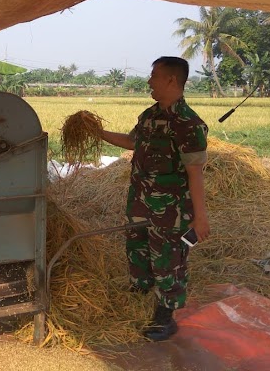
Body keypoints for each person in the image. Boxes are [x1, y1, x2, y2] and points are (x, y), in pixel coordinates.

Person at [101, 56, 210, 341]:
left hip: (170, 210)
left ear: (172, 80)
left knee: (168, 258)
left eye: (154, 76)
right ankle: (140, 290)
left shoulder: (188, 123)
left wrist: (200, 218)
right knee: (137, 248)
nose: (149, 81)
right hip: (140, 201)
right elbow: (132, 142)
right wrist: (98, 133)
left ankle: (166, 313)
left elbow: (195, 173)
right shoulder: (150, 116)